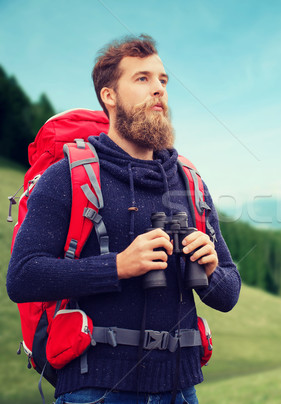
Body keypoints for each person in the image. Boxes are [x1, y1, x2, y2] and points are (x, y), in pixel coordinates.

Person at [6, 34, 241, 403]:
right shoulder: (69, 176)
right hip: (96, 390)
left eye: (163, 80)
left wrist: (211, 269)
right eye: (142, 79)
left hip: (181, 390)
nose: (159, 90)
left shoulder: (189, 182)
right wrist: (118, 266)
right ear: (109, 96)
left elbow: (229, 295)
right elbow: (22, 278)